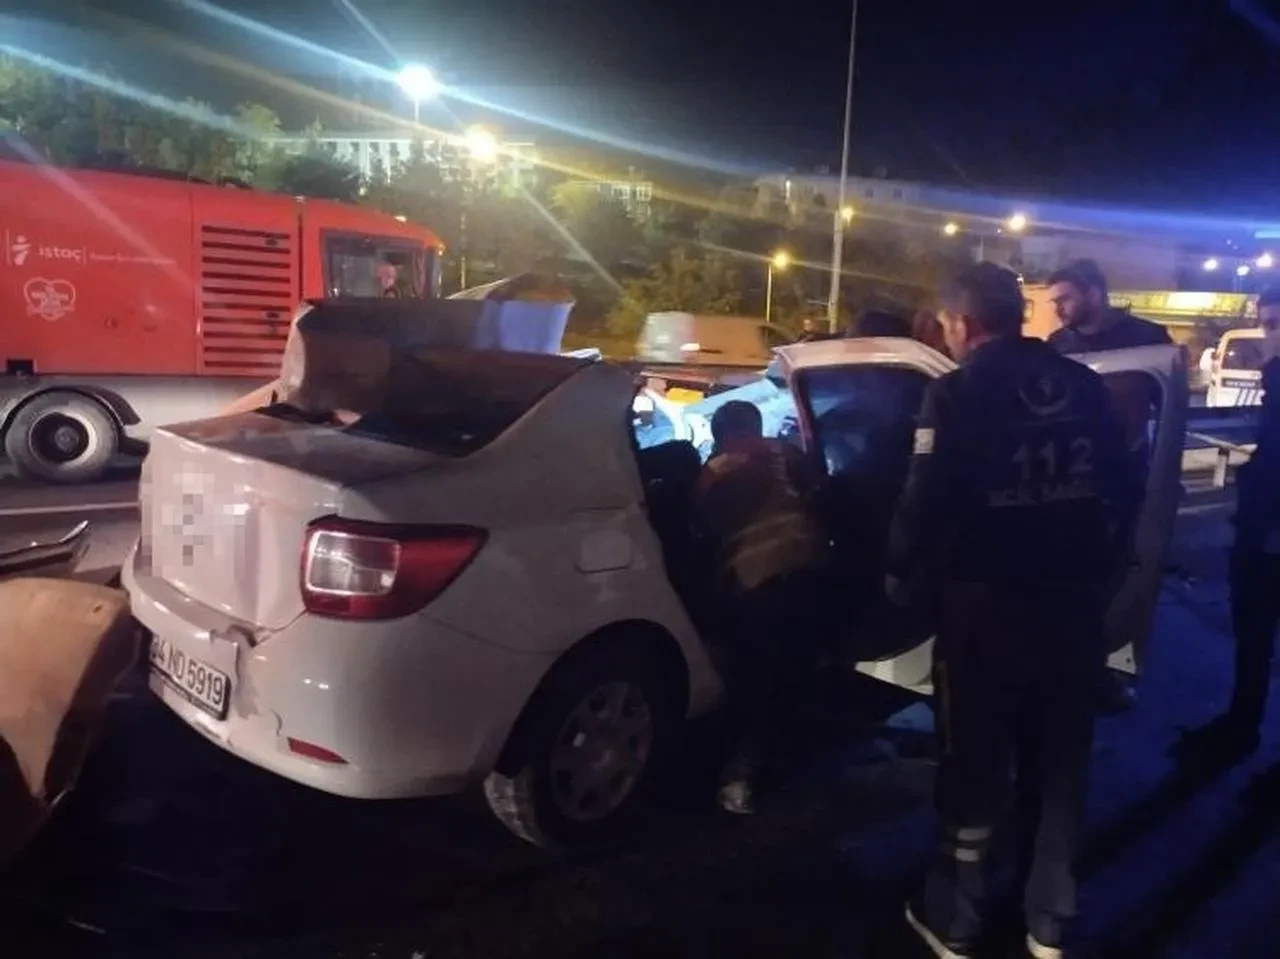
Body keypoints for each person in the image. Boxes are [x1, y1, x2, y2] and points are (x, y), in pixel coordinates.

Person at [887, 264, 1141, 959]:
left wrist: (898, 573)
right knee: (1058, 766)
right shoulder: (1085, 386)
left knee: (974, 762)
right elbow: (1125, 487)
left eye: (946, 325)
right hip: (1072, 609)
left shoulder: (956, 392)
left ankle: (957, 920)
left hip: (985, 611)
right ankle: (1048, 922)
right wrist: (1103, 573)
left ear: (962, 322)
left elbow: (922, 499)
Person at [694, 400, 830, 814]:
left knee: (754, 682)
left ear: (720, 434)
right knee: (790, 675)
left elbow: (698, 529)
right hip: (810, 571)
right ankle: (785, 760)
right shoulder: (787, 454)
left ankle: (742, 778)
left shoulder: (716, 468)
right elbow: (822, 496)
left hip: (757, 583)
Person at [1046, 260, 1170, 713]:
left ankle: (1102, 669)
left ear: (1095, 293)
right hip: (1069, 480)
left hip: (1126, 480)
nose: (1058, 309)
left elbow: (1165, 408)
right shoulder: (1058, 346)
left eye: (1065, 298)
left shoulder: (1147, 339)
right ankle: (1067, 666)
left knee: (1118, 579)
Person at [1177, 286, 1280, 762]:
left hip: (1269, 537)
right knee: (1252, 639)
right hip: (1261, 533)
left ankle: (1243, 730)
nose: (1271, 336)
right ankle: (1241, 726)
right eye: (1268, 325)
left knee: (1256, 637)